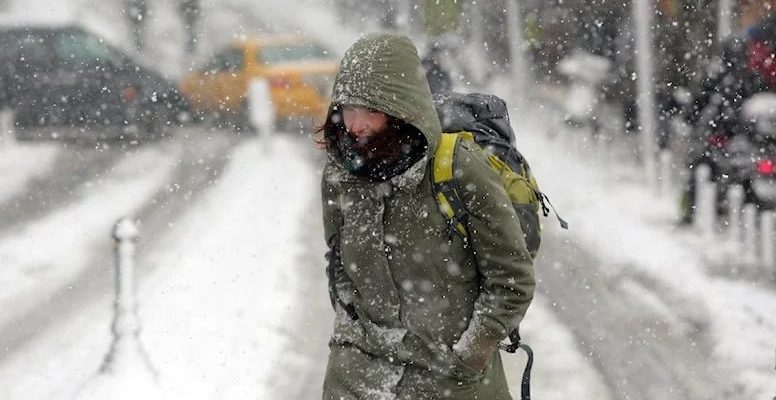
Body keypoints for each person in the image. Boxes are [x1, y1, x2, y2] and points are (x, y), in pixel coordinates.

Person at [316, 33, 535, 399]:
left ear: (401, 108)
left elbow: (512, 279)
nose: (355, 125)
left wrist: (471, 354)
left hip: (449, 379)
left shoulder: (459, 169)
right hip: (358, 378)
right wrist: (350, 331)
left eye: (369, 110)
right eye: (347, 110)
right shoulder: (341, 174)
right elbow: (337, 259)